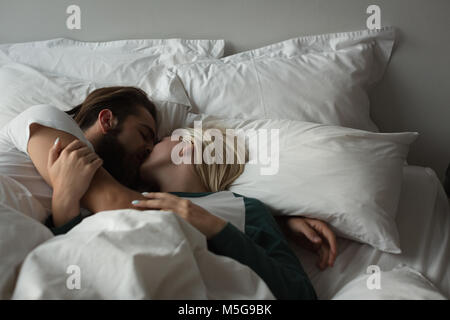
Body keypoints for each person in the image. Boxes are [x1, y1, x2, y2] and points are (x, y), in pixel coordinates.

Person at [47, 126, 338, 300]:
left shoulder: (245, 208)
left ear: (187, 148)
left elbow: (299, 295)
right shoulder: (119, 196)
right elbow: (75, 255)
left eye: (163, 138)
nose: (152, 143)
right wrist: (63, 200)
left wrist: (212, 226)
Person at [0, 86, 159, 228]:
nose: (150, 148)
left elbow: (65, 247)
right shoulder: (47, 118)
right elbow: (115, 201)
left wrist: (65, 201)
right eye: (144, 134)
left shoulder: (92, 212)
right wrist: (181, 205)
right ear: (107, 120)